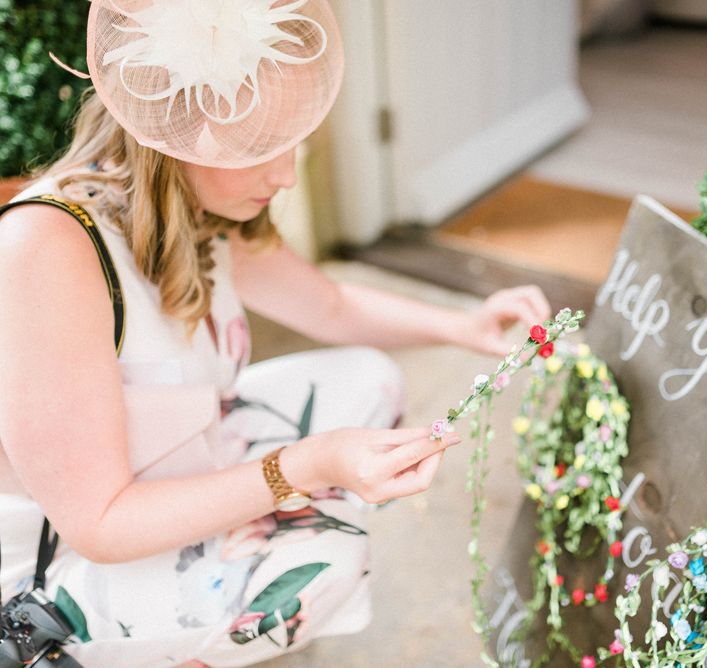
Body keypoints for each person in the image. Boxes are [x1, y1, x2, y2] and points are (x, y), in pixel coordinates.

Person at [0, 1, 550, 666]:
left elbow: (331, 306)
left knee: (368, 379)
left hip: (180, 456)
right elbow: (101, 523)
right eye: (261, 145)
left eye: (294, 138)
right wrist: (305, 469)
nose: (286, 174)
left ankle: (233, 582)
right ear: (179, 128)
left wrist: (464, 325)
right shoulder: (46, 246)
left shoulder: (198, 200)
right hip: (65, 567)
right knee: (329, 559)